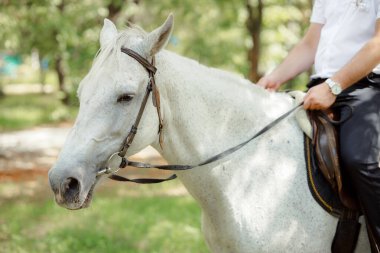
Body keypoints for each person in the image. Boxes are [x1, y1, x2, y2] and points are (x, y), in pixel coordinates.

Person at [257, 0, 380, 251]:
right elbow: (310, 44)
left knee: (361, 159)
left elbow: (378, 43)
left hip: (365, 86)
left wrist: (334, 86)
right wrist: (274, 77)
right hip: (319, 87)